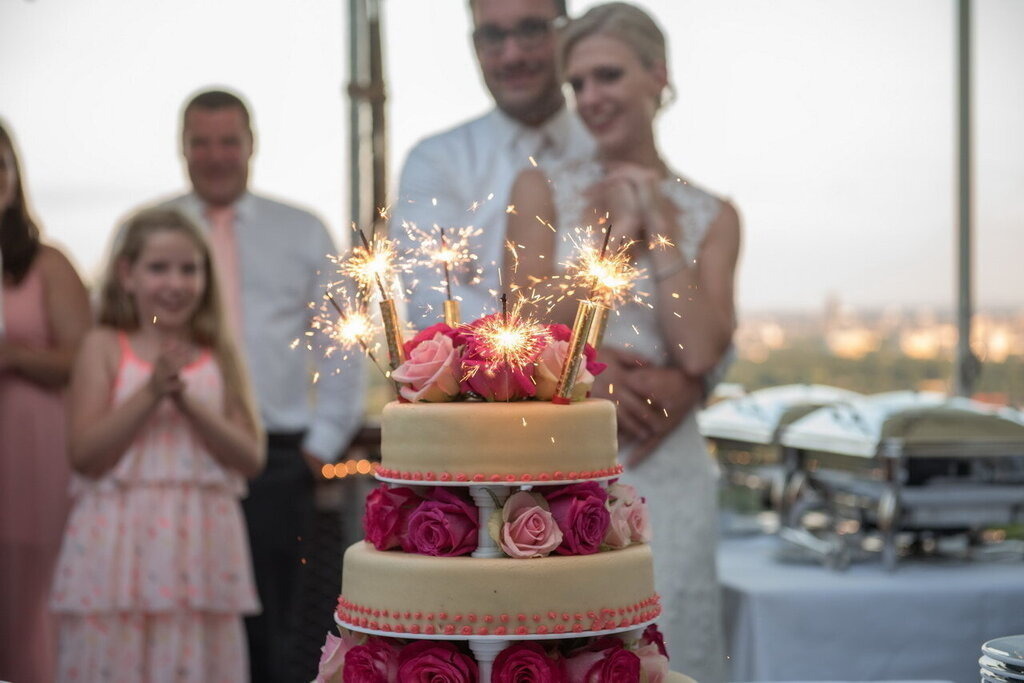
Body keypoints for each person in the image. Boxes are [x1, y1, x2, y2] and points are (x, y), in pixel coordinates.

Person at [503, 4, 740, 680]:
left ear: (657, 75)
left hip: (670, 471)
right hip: (570, 459)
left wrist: (658, 224)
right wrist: (606, 245)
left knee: (673, 644)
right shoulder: (541, 188)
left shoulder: (714, 214)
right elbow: (520, 335)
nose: (591, 99)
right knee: (568, 647)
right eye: (578, 84)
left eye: (607, 76)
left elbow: (697, 352)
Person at [389, 0, 725, 466]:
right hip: (510, 434)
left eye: (530, 30)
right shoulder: (437, 161)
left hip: (661, 437)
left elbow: (714, 324)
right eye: (493, 37)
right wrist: (571, 366)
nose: (511, 55)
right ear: (474, 45)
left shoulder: (612, 131)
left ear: (561, 33)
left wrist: (695, 382)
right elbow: (436, 307)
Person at [141, 89, 366, 681]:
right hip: (173, 453)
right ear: (182, 148)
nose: (215, 156)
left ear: (251, 145)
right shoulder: (152, 233)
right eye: (201, 142)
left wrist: (323, 439)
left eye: (228, 141)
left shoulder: (301, 229)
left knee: (278, 623)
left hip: (276, 456)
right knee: (182, 613)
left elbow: (340, 341)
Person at [51, 208, 263, 681]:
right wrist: (150, 393)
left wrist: (188, 403)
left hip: (199, 547)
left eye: (189, 269)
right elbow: (85, 456)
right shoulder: (104, 346)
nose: (176, 283)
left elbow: (250, 456)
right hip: (116, 544)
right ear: (127, 274)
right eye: (158, 268)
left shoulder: (217, 352)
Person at [0, 121, 91, 683]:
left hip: (30, 452)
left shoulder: (44, 263)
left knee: (28, 587)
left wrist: (13, 356)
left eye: (1, 164)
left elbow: (86, 359)